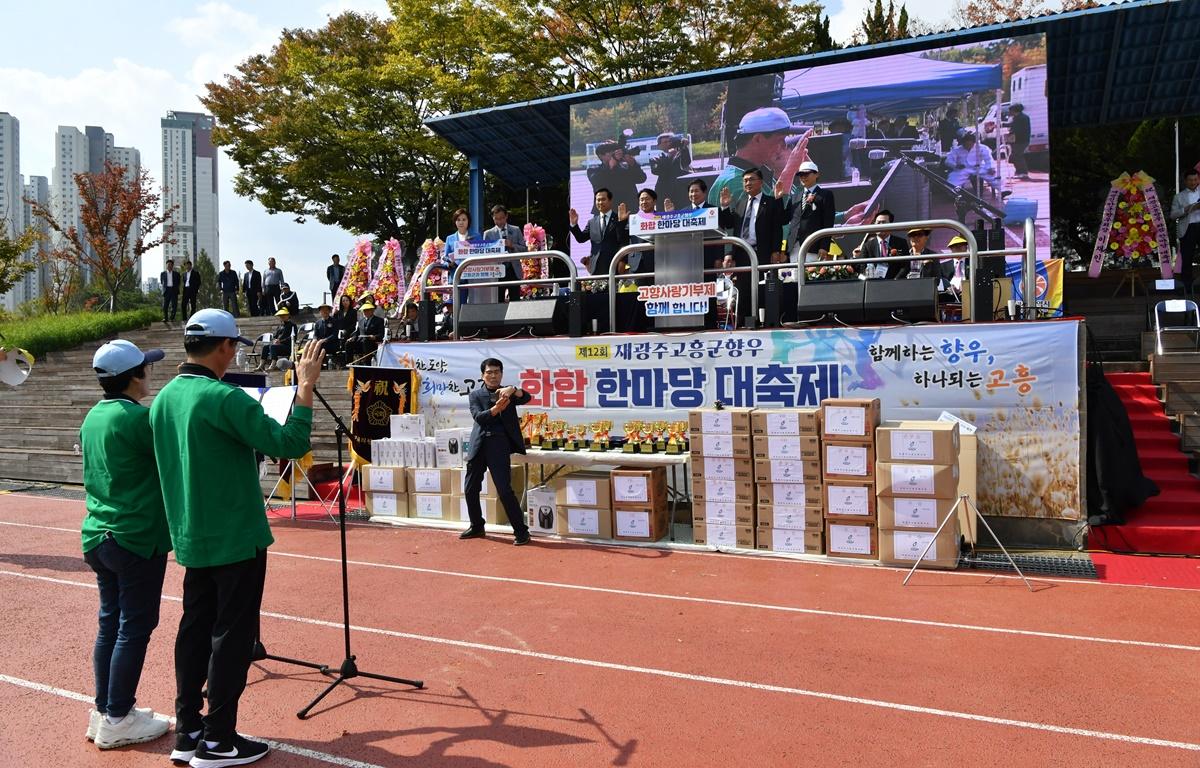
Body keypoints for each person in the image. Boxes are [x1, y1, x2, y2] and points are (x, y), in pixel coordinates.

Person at [150, 309, 324, 767]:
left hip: (191, 532)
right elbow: (289, 444)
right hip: (235, 534)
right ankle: (220, 738)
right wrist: (304, 388)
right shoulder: (225, 397)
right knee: (232, 634)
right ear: (225, 347)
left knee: (194, 628)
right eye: (233, 348)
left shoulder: (165, 398)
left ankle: (188, 730)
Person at [81, 339, 171, 751]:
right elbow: (172, 463)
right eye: (146, 368)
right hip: (134, 535)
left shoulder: (94, 417)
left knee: (110, 624)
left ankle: (105, 711)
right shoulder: (137, 419)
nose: (149, 373)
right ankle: (118, 716)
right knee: (134, 627)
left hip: (98, 534)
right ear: (135, 376)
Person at [460, 358, 532, 545]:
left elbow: (526, 397)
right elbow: (479, 417)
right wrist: (495, 409)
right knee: (470, 488)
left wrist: (514, 389)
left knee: (504, 490)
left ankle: (521, 531)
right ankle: (477, 525)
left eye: (497, 372)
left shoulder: (508, 392)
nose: (493, 376)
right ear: (482, 375)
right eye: (489, 372)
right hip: (479, 444)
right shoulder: (475, 395)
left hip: (499, 446)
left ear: (501, 374)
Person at [718, 167, 789, 324]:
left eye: (751, 179)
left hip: (762, 252)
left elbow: (777, 227)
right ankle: (746, 322)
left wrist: (776, 250)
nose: (747, 183)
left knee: (764, 288)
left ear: (761, 182)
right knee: (744, 289)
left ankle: (768, 321)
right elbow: (729, 225)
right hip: (743, 252)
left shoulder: (770, 202)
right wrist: (724, 207)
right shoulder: (740, 203)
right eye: (745, 181)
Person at [708, 107, 805, 210]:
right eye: (780, 140)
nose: (784, 146)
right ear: (758, 139)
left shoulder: (761, 175)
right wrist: (789, 171)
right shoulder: (734, 182)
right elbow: (766, 221)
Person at [569, 188, 630, 281]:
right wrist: (574, 224)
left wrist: (622, 261)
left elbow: (623, 241)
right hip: (595, 267)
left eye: (603, 199)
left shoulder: (619, 218)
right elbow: (581, 238)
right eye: (598, 200)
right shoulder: (592, 222)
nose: (600, 202)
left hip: (614, 265)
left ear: (610, 201)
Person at [783, 160, 836, 263]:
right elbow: (784, 218)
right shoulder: (795, 197)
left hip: (814, 246)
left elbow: (828, 221)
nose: (803, 177)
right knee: (795, 277)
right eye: (801, 174)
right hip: (794, 246)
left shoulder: (825, 194)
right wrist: (779, 198)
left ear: (817, 174)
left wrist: (824, 246)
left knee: (810, 276)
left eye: (806, 174)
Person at [587, 139, 646, 215]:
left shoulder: (625, 168)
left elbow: (641, 179)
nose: (616, 155)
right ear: (601, 156)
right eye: (612, 153)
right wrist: (611, 166)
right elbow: (598, 182)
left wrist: (633, 164)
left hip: (628, 210)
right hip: (606, 212)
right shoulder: (594, 170)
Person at [483, 205, 526, 302]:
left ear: (506, 216)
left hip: (513, 269)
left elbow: (524, 250)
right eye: (496, 219)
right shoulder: (488, 234)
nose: (499, 221)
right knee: (498, 301)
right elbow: (485, 254)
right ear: (493, 218)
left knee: (515, 300)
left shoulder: (515, 230)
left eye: (501, 218)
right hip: (497, 270)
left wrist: (512, 245)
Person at [855, 210, 909, 279]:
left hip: (895, 283)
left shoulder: (901, 242)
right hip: (874, 284)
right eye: (878, 223)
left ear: (891, 224)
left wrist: (895, 281)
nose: (880, 225)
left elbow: (905, 266)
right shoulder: (868, 245)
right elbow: (862, 266)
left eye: (883, 222)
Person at [1171, 168, 1200, 290]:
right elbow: (1172, 215)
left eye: (1195, 179)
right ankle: (1187, 287)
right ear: (1185, 181)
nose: (1193, 182)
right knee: (1187, 257)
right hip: (1188, 228)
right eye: (1190, 180)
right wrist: (1186, 209)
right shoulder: (1179, 196)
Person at [650, 132, 691, 207]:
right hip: (664, 193)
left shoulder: (679, 154)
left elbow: (686, 162)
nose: (668, 144)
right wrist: (669, 156)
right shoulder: (656, 158)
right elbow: (657, 171)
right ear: (659, 146)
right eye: (665, 142)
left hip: (681, 191)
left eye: (670, 141)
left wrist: (684, 147)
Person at [1009, 104, 1031, 180]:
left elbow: (1019, 130)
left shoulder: (1022, 118)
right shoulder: (1017, 117)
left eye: (1011, 110)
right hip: (1017, 140)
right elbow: (1012, 125)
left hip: (1021, 140)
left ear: (1015, 110)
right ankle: (1018, 171)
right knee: (1015, 156)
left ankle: (1024, 172)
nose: (1010, 112)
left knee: (1018, 156)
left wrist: (1011, 132)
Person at [160, 259, 179, 325]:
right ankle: (165, 318)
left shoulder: (176, 274)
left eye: (171, 265)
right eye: (168, 265)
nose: (169, 266)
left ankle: (172, 318)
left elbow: (178, 282)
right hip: (166, 290)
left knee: (174, 305)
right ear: (166, 266)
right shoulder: (163, 273)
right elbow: (162, 282)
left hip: (174, 290)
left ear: (172, 266)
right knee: (165, 305)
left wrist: (176, 289)